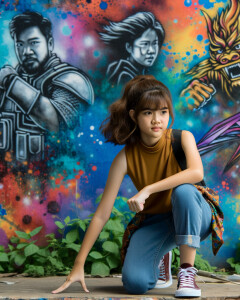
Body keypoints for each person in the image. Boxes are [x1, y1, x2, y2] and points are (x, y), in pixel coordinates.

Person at [52, 75, 223, 298]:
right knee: (135, 284)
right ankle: (163, 255)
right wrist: (79, 263)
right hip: (158, 221)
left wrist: (148, 189)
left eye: (163, 112)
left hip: (195, 214)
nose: (157, 120)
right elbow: (101, 215)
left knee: (184, 191)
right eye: (148, 112)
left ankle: (187, 273)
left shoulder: (182, 139)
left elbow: (196, 173)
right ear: (134, 115)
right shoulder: (125, 158)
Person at [0, 11, 94, 161]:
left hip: (55, 180)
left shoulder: (70, 79)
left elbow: (56, 124)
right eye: (20, 44)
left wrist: (10, 82)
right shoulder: (7, 77)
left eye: (34, 43)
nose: (26, 51)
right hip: (8, 179)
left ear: (49, 44)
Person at [100, 12, 164, 86]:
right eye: (145, 44)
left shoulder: (140, 73)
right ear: (129, 47)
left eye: (154, 44)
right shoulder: (124, 74)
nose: (152, 51)